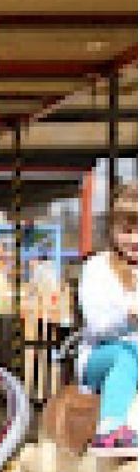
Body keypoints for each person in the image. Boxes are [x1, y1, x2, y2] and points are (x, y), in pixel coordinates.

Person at [77, 182, 138, 448]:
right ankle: (110, 428)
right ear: (113, 231)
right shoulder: (98, 268)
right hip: (103, 355)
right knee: (124, 355)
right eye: (127, 231)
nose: (135, 240)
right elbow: (97, 324)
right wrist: (129, 318)